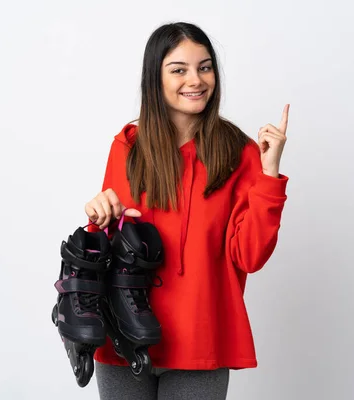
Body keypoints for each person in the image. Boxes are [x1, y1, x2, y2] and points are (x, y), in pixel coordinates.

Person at [84, 22, 289, 400]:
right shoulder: (128, 146)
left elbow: (250, 255)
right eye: (179, 69)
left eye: (205, 67)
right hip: (124, 336)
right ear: (155, 78)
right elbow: (109, 242)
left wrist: (269, 174)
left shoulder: (240, 153)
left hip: (200, 339)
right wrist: (97, 217)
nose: (195, 80)